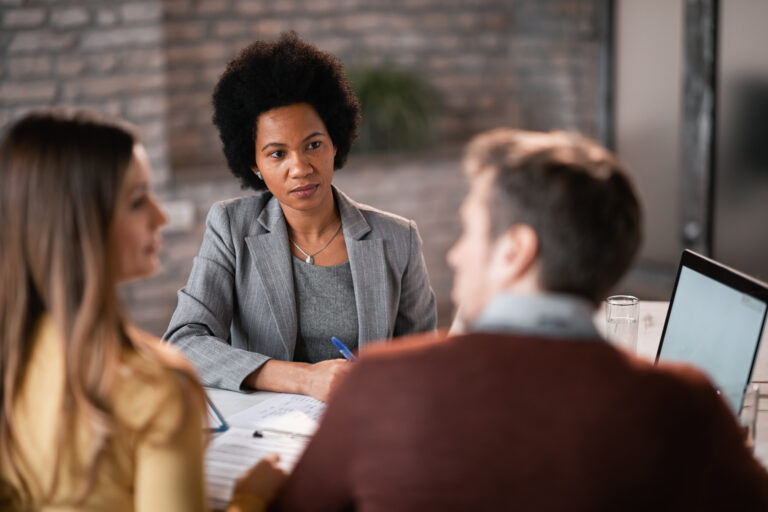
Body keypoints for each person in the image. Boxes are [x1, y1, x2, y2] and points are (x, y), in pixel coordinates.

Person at [270, 129, 768, 511]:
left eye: (470, 230)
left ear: (516, 251)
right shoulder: (689, 408)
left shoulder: (380, 385)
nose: (458, 254)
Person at [0, 109, 284, 512]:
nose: (161, 216)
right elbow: (190, 335)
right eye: (137, 201)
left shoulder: (15, 361)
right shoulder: (156, 387)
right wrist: (253, 496)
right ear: (79, 223)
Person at [164, 32, 437, 401]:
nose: (300, 167)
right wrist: (304, 378)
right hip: (267, 435)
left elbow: (423, 361)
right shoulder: (231, 227)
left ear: (335, 142)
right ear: (254, 164)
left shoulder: (397, 238)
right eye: (277, 154)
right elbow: (184, 342)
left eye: (313, 145)